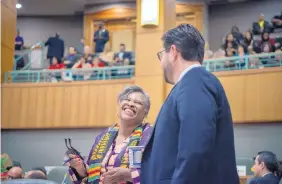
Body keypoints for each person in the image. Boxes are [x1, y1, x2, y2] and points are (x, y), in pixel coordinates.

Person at [141, 24, 239, 184]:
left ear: (173, 52)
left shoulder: (195, 81)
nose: (161, 63)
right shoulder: (193, 82)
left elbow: (195, 149)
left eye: (161, 55)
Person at [64, 86, 153, 184]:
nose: (131, 104)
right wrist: (79, 168)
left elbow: (157, 173)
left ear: (145, 112)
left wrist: (129, 175)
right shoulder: (103, 136)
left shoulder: (150, 137)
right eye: (127, 99)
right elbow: (89, 176)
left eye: (138, 103)